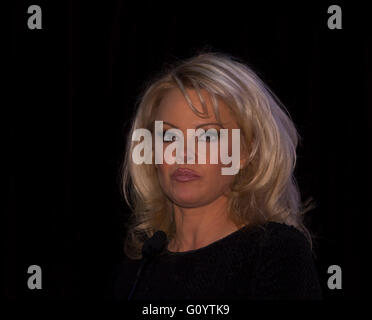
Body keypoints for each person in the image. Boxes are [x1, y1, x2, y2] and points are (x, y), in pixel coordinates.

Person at [108, 51, 322, 300]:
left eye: (207, 136)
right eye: (168, 136)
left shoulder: (275, 252)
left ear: (246, 152)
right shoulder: (136, 272)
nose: (183, 154)